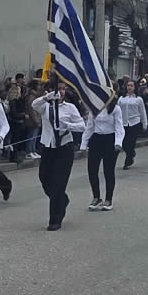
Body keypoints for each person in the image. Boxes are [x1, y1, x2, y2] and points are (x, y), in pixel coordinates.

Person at [31, 81, 86, 231]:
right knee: (44, 178)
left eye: (63, 89)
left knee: (58, 183)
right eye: (58, 89)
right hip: (48, 147)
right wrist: (47, 97)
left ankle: (55, 220)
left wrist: (68, 125)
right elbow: (34, 105)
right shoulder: (45, 106)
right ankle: (62, 199)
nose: (61, 92)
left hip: (64, 148)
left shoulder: (70, 107)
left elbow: (82, 125)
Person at [84, 93, 124, 212]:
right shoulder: (94, 108)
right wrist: (84, 143)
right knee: (92, 170)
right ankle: (96, 197)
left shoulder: (115, 109)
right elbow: (89, 127)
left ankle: (108, 199)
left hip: (110, 140)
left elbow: (119, 127)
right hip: (96, 139)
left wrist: (118, 142)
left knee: (108, 171)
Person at [118, 79, 146, 168]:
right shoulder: (121, 99)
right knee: (124, 142)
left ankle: (128, 160)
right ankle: (131, 153)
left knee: (131, 142)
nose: (129, 87)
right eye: (128, 85)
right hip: (124, 123)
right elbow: (117, 111)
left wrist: (144, 124)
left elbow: (142, 112)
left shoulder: (138, 99)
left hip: (134, 123)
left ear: (135, 87)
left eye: (131, 85)